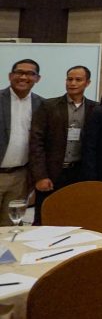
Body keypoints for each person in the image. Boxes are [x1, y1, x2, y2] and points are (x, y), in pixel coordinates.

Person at [29, 66, 96, 224]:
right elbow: (36, 142)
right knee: (46, 217)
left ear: (87, 83)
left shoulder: (95, 108)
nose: (72, 83)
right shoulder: (48, 106)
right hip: (52, 173)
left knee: (75, 217)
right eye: (69, 79)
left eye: (78, 80)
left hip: (80, 173)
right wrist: (40, 176)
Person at [0, 60, 42, 226]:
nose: (24, 77)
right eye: (19, 72)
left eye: (30, 74)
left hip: (20, 177)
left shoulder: (42, 105)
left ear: (37, 79)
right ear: (11, 76)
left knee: (10, 227)